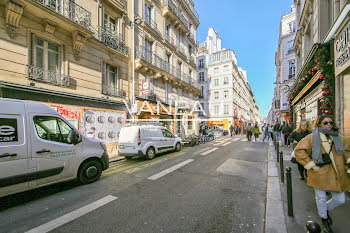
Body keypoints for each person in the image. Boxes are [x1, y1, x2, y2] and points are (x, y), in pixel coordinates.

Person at [295, 115, 350, 233]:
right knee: (321, 198)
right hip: (319, 174)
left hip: (335, 175)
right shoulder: (311, 137)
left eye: (330, 122)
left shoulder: (338, 137)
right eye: (325, 123)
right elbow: (299, 151)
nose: (329, 125)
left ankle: (324, 210)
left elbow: (347, 150)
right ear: (319, 124)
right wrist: (311, 166)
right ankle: (324, 218)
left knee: (340, 199)